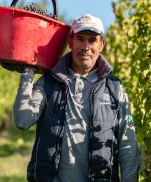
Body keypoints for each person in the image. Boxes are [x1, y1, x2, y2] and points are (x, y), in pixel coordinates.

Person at [13, 14, 139, 182]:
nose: (86, 47)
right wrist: (27, 73)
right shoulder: (50, 82)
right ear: (71, 42)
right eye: (80, 39)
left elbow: (127, 142)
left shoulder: (115, 89)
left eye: (92, 40)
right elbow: (23, 120)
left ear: (101, 44)